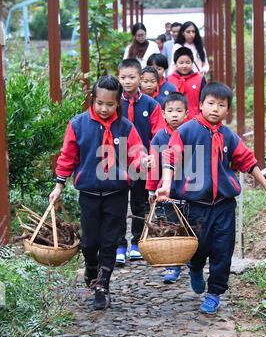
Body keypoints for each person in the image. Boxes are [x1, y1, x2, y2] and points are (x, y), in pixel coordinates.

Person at [156, 82, 266, 315]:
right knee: (198, 248)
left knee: (222, 250)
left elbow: (247, 161)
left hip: (223, 205)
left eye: (221, 105)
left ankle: (214, 293)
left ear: (227, 110)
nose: (215, 109)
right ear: (200, 105)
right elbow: (170, 158)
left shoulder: (228, 136)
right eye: (210, 103)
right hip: (195, 206)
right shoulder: (186, 131)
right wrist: (167, 185)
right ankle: (195, 267)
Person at [49, 76, 154, 311]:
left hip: (116, 192)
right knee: (89, 242)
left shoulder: (126, 127)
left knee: (109, 241)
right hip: (88, 192)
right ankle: (90, 267)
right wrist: (59, 186)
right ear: (93, 100)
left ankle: (102, 286)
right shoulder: (78, 124)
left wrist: (143, 162)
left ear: (118, 104)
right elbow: (68, 157)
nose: (104, 109)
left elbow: (135, 154)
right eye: (99, 103)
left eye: (110, 104)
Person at [116, 59, 165, 265]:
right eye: (123, 77)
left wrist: (153, 159)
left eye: (132, 77)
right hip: (117, 162)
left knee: (139, 203)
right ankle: (119, 245)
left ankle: (136, 242)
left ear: (140, 79)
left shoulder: (151, 105)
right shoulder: (114, 102)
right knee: (117, 205)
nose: (127, 82)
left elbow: (157, 135)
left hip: (142, 162)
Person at [146, 92, 188, 283]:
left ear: (186, 113)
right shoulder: (158, 138)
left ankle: (193, 261)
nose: (174, 115)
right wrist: (151, 189)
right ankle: (173, 266)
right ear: (163, 114)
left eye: (179, 111)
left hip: (190, 189)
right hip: (167, 192)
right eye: (170, 111)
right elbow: (154, 167)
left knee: (191, 225)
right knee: (171, 226)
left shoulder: (191, 133)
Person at [168, 47, 206, 120]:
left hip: (195, 120)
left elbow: (204, 100)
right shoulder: (169, 80)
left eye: (188, 62)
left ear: (192, 63)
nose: (184, 66)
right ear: (175, 64)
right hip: (174, 121)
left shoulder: (200, 79)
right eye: (181, 63)